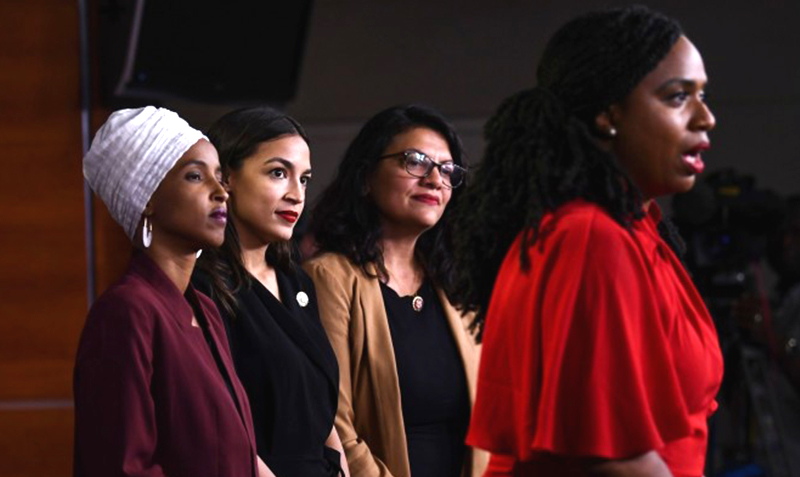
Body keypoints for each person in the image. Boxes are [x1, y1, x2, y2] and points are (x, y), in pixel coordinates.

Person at [450, 6, 723, 477]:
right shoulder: (590, 238)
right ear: (607, 113)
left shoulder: (630, 232)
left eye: (703, 96)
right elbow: (614, 461)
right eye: (678, 97)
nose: (707, 118)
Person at [74, 106, 271, 476]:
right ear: (146, 196)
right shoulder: (127, 311)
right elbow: (122, 466)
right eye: (195, 177)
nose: (221, 193)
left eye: (220, 177)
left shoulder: (206, 310)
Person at [304, 104, 486, 477]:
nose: (435, 179)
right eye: (416, 161)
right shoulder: (329, 277)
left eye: (448, 170)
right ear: (367, 177)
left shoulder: (455, 286)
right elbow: (334, 425)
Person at [191, 106, 349, 477]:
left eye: (305, 179)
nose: (296, 194)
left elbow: (322, 416)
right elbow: (220, 431)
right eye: (278, 173)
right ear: (225, 178)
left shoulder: (297, 281)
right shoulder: (203, 287)